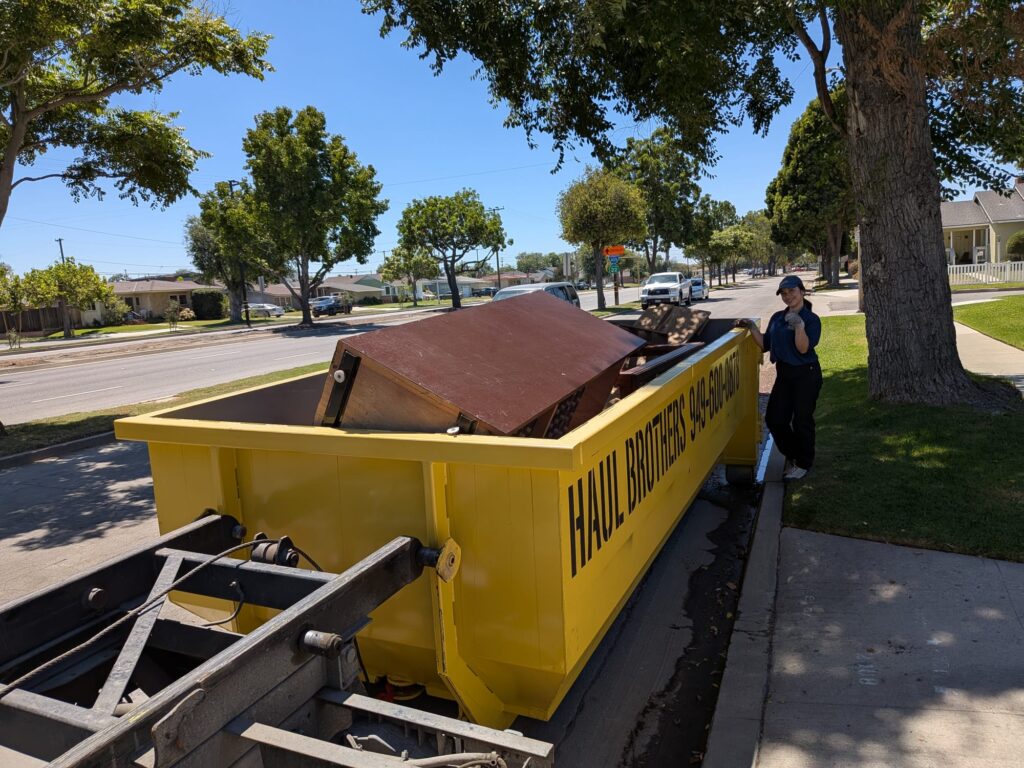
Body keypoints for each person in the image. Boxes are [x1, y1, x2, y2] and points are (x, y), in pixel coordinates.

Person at [735, 275, 823, 480]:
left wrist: (799, 326)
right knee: (775, 419)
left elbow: (803, 349)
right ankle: (794, 455)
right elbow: (765, 344)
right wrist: (751, 327)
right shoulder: (777, 317)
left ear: (802, 291)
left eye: (792, 291)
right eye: (784, 293)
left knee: (802, 420)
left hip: (806, 374)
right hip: (784, 374)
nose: (788, 296)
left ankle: (803, 463)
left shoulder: (811, 319)